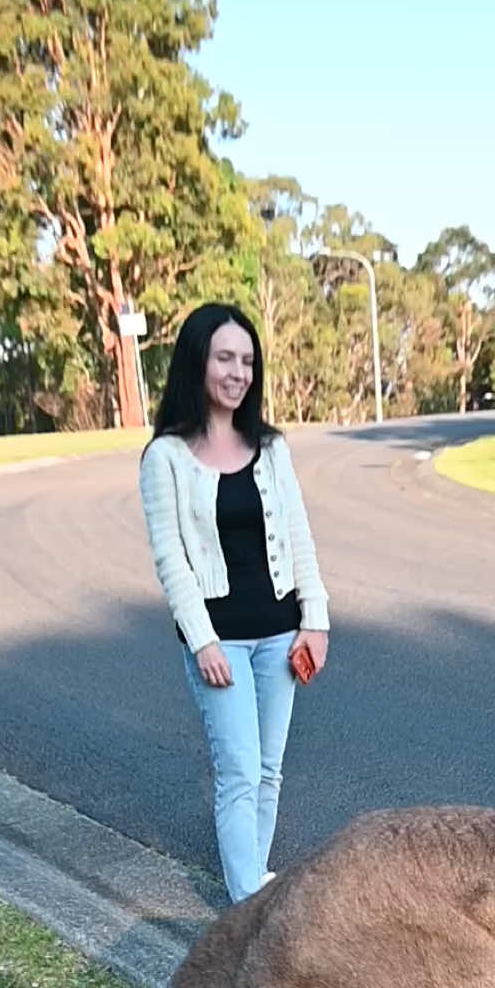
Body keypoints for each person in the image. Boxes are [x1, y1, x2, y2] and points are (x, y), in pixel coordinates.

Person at [139, 302, 329, 903]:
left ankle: (255, 887)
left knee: (269, 770)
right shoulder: (165, 457)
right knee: (240, 772)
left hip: (280, 634)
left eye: (247, 360)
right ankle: (247, 903)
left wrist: (315, 621)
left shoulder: (271, 448)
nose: (237, 372)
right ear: (198, 363)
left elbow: (299, 537)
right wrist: (202, 640)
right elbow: (172, 562)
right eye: (225, 357)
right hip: (221, 642)